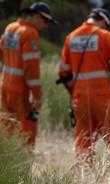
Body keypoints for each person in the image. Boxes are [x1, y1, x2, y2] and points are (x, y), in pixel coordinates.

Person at [58, 8, 110, 162]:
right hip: (104, 97)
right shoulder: (105, 36)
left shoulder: (71, 37)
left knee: (84, 141)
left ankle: (85, 178)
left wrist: (76, 93)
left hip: (80, 98)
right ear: (103, 21)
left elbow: (64, 73)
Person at [0, 2, 56, 146]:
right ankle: (23, 166)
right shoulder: (30, 34)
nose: (47, 25)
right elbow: (31, 70)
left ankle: (7, 164)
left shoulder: (10, 28)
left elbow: (3, 51)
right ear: (37, 17)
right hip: (20, 92)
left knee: (7, 132)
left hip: (4, 87)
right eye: (46, 21)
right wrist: (37, 97)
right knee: (26, 134)